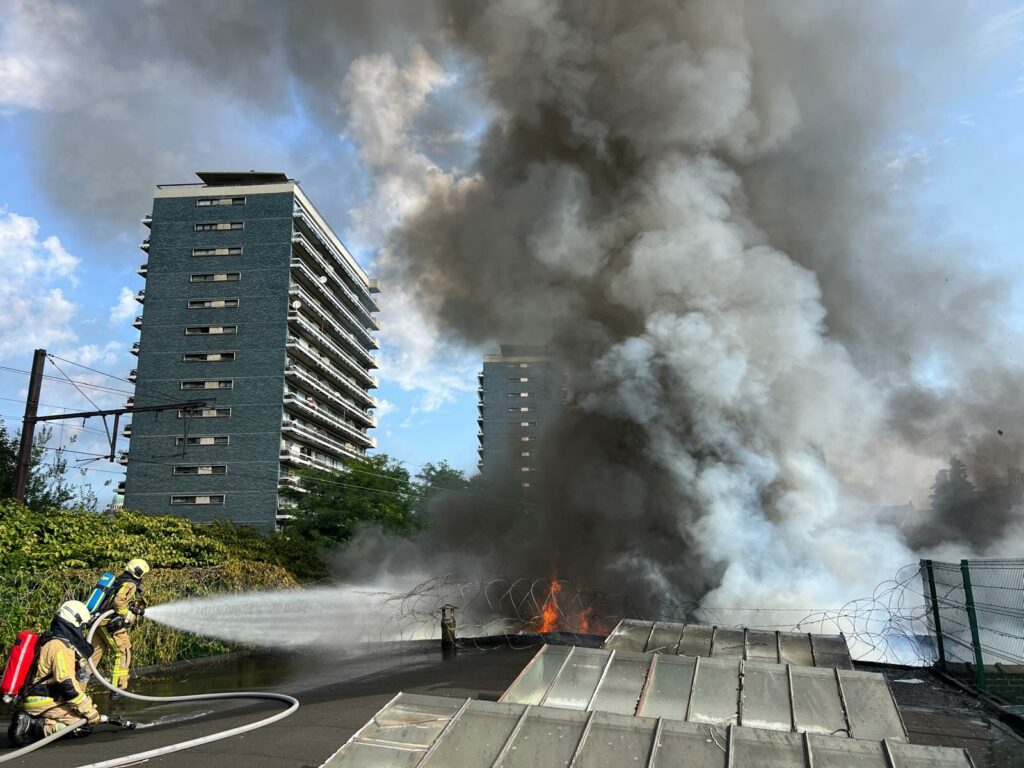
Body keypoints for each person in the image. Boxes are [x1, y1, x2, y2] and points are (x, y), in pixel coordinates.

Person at [8, 601, 105, 746]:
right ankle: (32, 726)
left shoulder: (49, 639)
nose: (82, 631)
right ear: (75, 622)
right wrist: (88, 711)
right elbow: (67, 685)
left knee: (79, 716)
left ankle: (35, 719)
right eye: (81, 626)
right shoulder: (60, 647)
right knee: (82, 727)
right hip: (44, 700)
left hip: (36, 698)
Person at [91, 558, 149, 691]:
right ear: (138, 572)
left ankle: (76, 687)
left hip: (99, 622)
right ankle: (118, 689)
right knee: (124, 652)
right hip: (110, 623)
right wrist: (126, 613)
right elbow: (118, 602)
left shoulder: (120, 579)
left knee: (92, 655)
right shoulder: (130, 583)